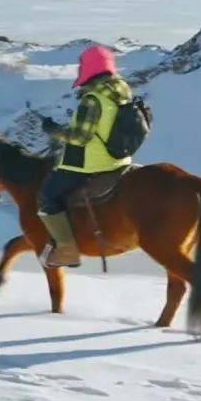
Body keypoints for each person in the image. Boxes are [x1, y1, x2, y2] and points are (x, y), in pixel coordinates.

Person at [36, 44, 133, 269]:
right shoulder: (123, 91)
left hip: (89, 164)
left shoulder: (93, 98)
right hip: (119, 161)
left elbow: (80, 137)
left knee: (48, 196)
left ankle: (67, 251)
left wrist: (54, 130)